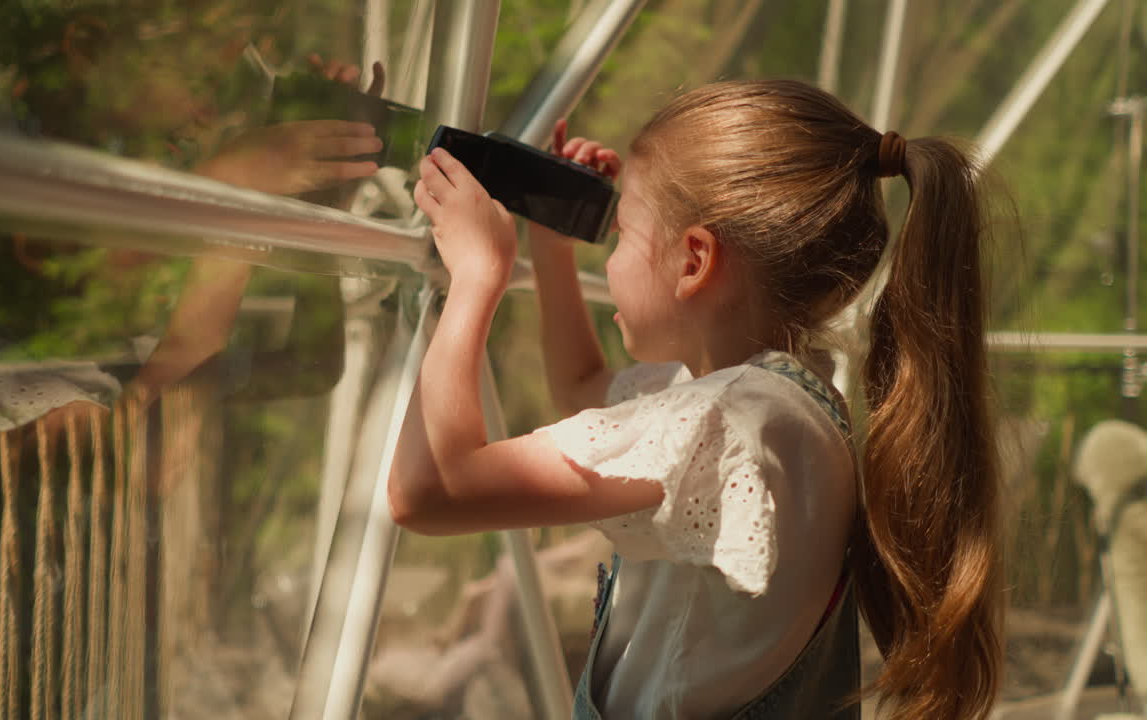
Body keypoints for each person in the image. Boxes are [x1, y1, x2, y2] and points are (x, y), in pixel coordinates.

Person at [389, 79, 1003, 720]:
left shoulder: (727, 420)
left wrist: (476, 277)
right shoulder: (769, 399)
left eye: (623, 231)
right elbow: (581, 390)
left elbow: (428, 492)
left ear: (695, 261)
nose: (614, 251)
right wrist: (553, 251)